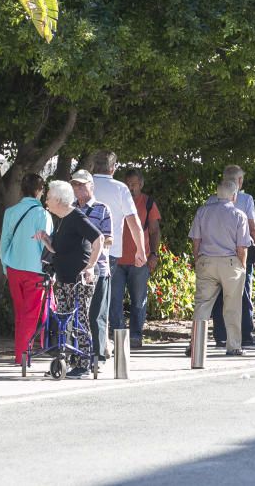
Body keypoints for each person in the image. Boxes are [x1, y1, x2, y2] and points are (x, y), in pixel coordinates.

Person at [36, 180, 103, 379]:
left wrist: (90, 267)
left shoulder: (76, 217)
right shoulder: (62, 220)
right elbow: (57, 249)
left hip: (80, 277)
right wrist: (45, 238)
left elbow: (98, 239)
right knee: (64, 319)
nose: (45, 200)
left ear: (58, 199)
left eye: (48, 197)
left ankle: (85, 364)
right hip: (64, 278)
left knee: (80, 318)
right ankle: (66, 360)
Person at [188, 180, 251, 356]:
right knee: (232, 306)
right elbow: (242, 247)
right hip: (231, 262)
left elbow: (196, 240)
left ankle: (196, 343)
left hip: (207, 260)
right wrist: (242, 266)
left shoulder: (203, 211)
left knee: (202, 305)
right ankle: (233, 345)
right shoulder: (239, 215)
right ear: (234, 195)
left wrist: (198, 259)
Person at [90, 152, 146, 349]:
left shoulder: (83, 184)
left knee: (84, 296)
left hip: (83, 248)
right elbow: (134, 222)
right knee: (104, 297)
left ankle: (87, 339)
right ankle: (103, 343)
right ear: (113, 168)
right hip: (109, 250)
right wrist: (141, 250)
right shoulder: (120, 189)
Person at [0, 173, 52, 364]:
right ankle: (23, 355)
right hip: (36, 270)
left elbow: (4, 242)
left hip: (13, 267)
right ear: (40, 191)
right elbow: (46, 245)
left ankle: (20, 353)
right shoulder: (43, 214)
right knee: (31, 314)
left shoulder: (10, 212)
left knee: (20, 313)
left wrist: (6, 265)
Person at [212, 165, 255, 348]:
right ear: (239, 181)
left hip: (215, 252)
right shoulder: (246, 199)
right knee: (242, 293)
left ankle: (221, 335)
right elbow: (253, 226)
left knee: (219, 294)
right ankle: (245, 335)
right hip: (240, 251)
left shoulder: (212, 200)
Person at [112, 167, 160, 349]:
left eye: (133, 184)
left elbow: (155, 230)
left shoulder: (148, 203)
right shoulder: (118, 201)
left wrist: (153, 254)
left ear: (141, 184)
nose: (130, 188)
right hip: (116, 259)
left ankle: (135, 336)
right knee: (114, 301)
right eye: (128, 184)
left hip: (140, 261)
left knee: (138, 300)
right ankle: (119, 336)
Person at [71, 170, 113, 368]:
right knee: (75, 314)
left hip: (98, 270)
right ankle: (78, 355)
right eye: (75, 185)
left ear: (91, 186)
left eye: (82, 184)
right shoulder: (69, 209)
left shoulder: (102, 209)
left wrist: (94, 255)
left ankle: (97, 357)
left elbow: (108, 238)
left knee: (96, 315)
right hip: (73, 270)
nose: (78, 188)